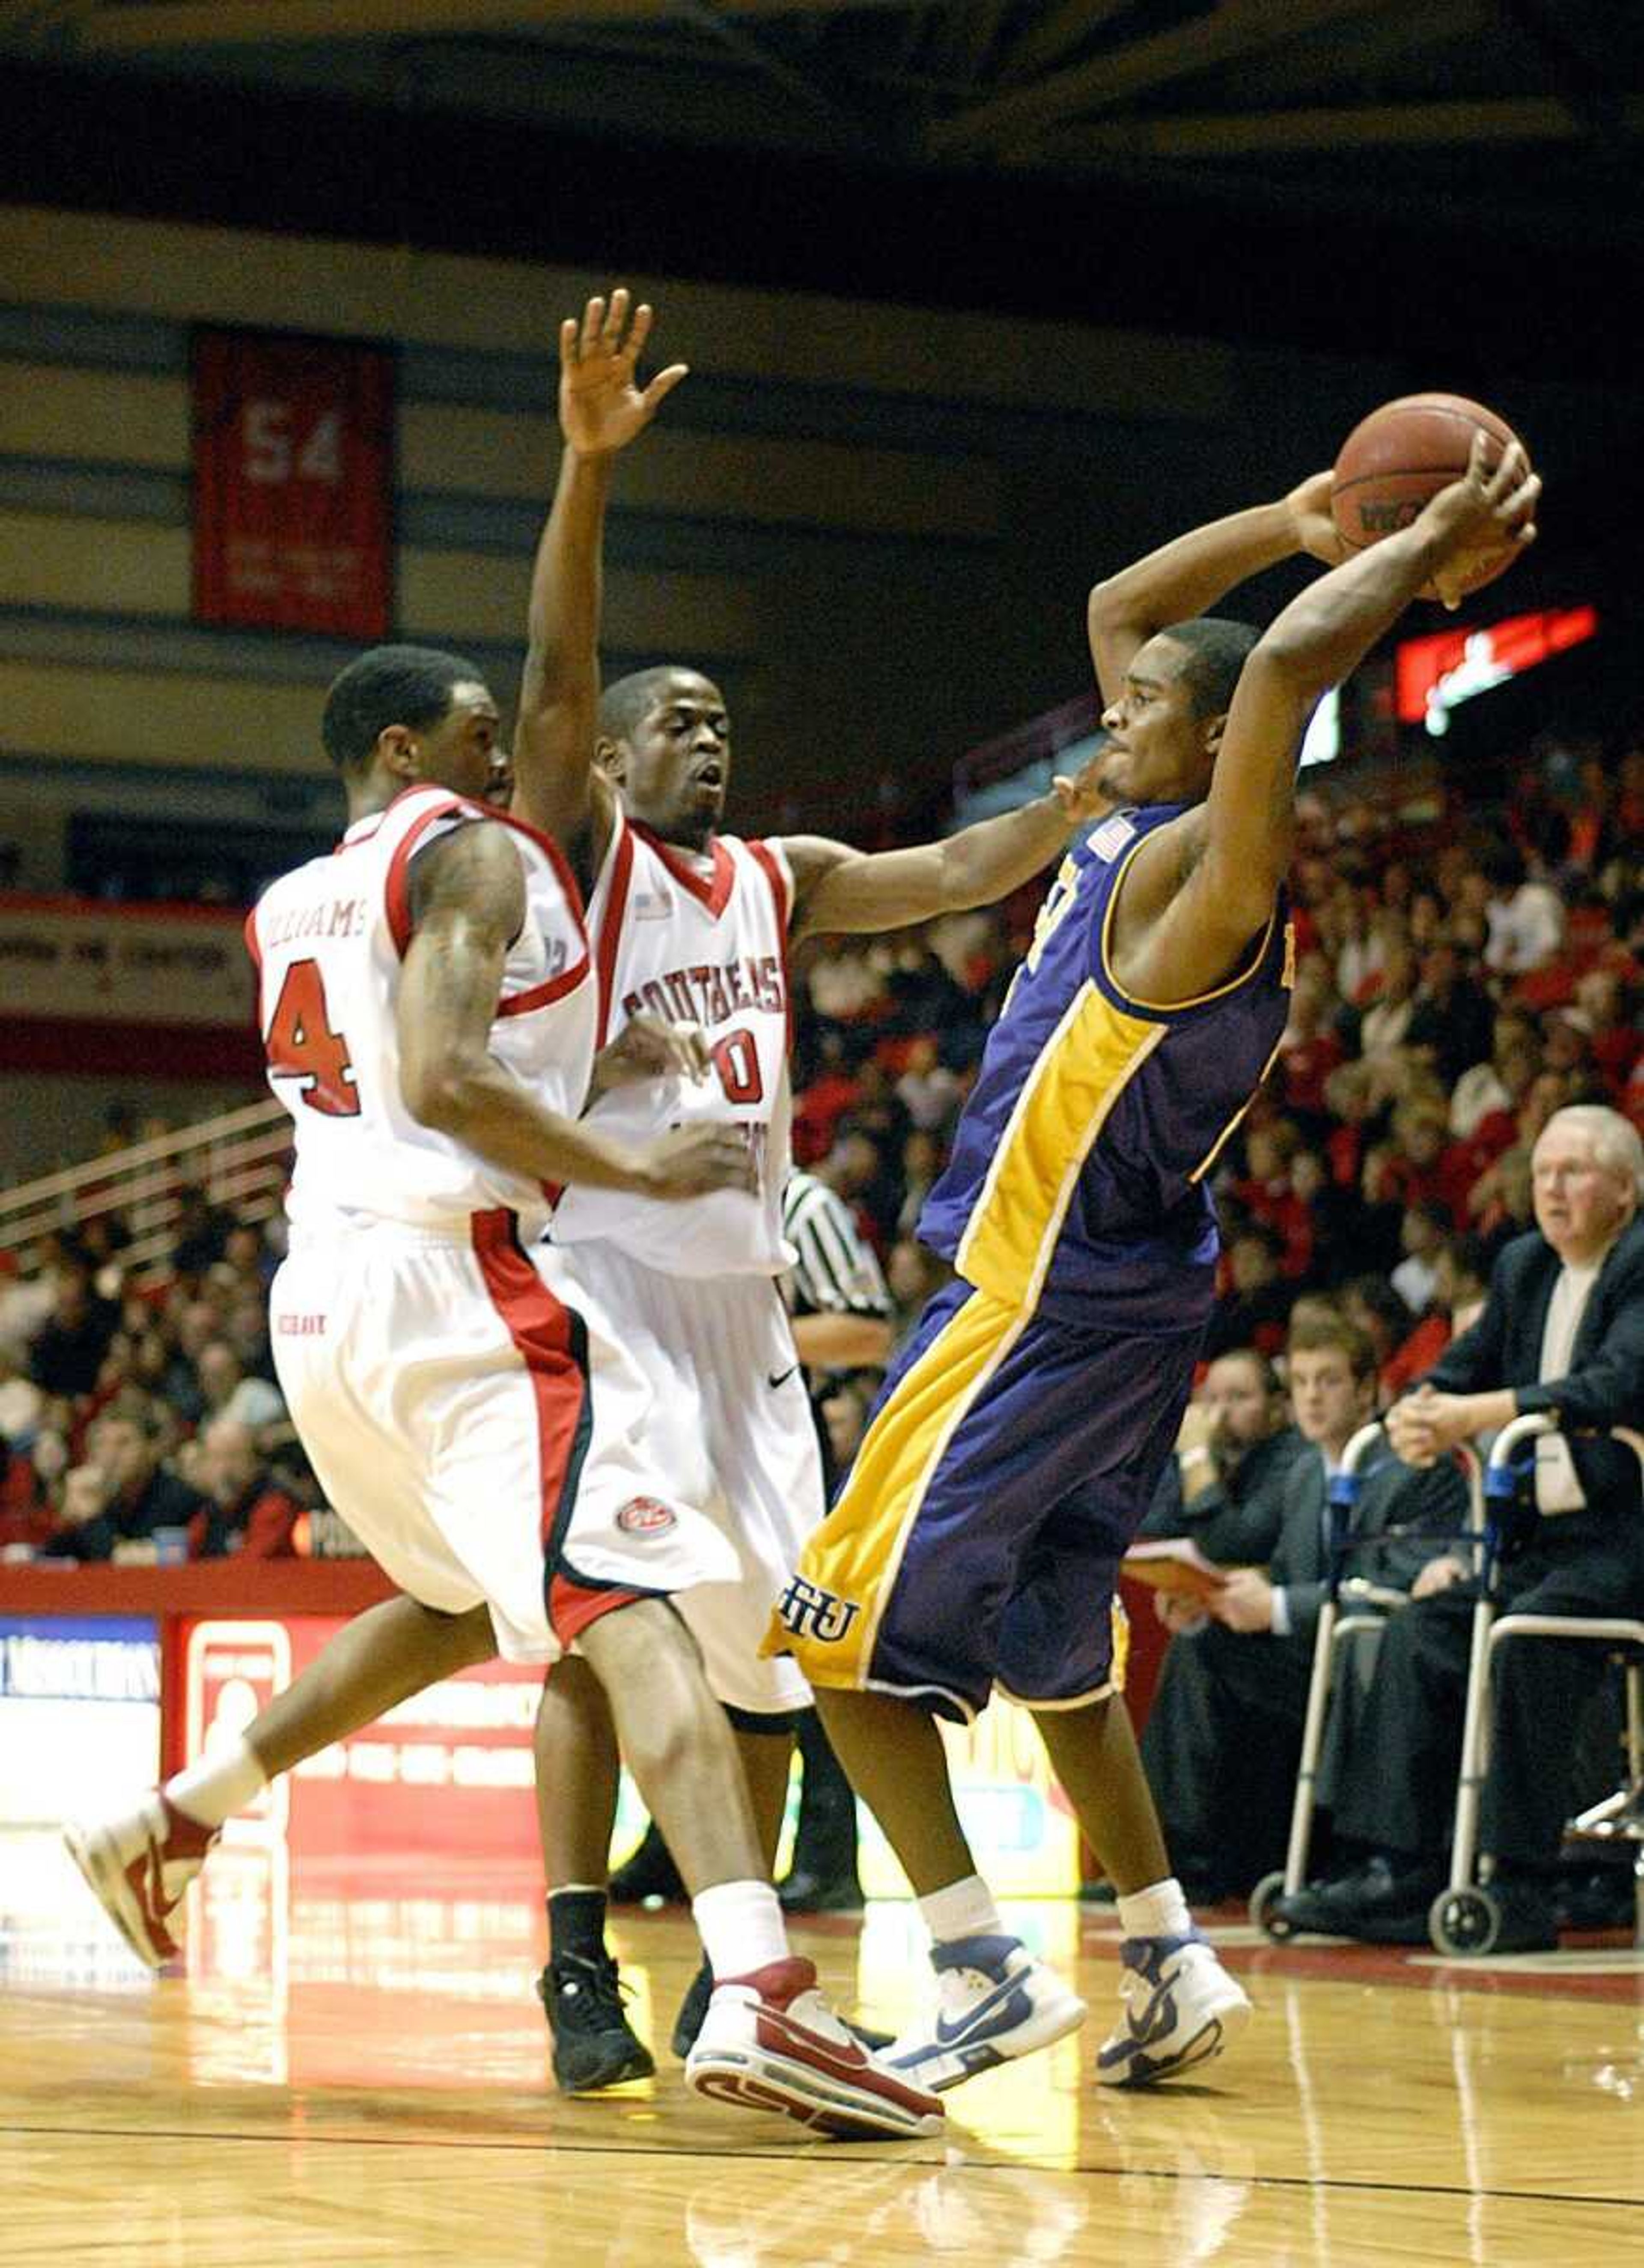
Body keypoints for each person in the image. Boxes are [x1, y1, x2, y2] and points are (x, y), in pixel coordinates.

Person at [62, 402, 941, 2140]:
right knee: (629, 1606)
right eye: (472, 743)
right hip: (467, 1278)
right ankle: (762, 1988)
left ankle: (177, 1812)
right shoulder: (462, 850)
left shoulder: (288, 900)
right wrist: (629, 1151)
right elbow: (459, 1071)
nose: (510, 764)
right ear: (407, 751)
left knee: (474, 1594)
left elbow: (428, 1064)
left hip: (324, 1299)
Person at [766, 430, 1540, 2090]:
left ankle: (985, 1970)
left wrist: (1408, 557)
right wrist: (1298, 517)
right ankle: (1174, 1957)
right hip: (1120, 1295)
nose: (1109, 714)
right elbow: (1128, 603)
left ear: (1207, 738)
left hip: (1038, 1293)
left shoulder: (1208, 872)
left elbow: (1276, 677)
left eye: (1141, 713)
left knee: (832, 1635)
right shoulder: (1132, 823)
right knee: (1056, 1655)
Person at [509, 291, 1115, 2083]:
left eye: (718, 718)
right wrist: (584, 473)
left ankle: (828, 1969)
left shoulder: (780, 874)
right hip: (608, 1290)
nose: (706, 737)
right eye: (673, 722)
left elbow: (958, 867)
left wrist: (1100, 787)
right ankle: (622, 1967)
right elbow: (552, 680)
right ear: (614, 769)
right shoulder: (590, 857)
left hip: (747, 1321)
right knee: (623, 1633)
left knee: (794, 1653)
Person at [1273, 1105, 1644, 1952]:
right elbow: (1457, 1369)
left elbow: (1617, 1383)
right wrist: (1421, 1410)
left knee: (1521, 1640)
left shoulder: (1639, 1262)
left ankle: (1521, 1882)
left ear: (1625, 1189)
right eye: (1544, 1170)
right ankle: (1402, 1866)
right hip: (1532, 1541)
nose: (1552, 1186)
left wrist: (1476, 1412)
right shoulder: (1522, 1266)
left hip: (1621, 1540)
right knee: (1421, 1630)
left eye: (1576, 1170)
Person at [1139, 1318, 1464, 1900]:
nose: (1313, 1396)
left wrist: (1279, 1604)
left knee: (1225, 1649)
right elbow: (1290, 1575)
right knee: (1203, 1641)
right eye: (1304, 1382)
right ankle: (1173, 1853)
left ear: (1367, 1391)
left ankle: (1341, 1864)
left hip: (1372, 1660)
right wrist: (1221, 1595)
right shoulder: (1306, 1473)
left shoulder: (1415, 1468)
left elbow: (1397, 1580)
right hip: (1311, 1656)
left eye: (1330, 1381)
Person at [1135, 1346, 1305, 1566]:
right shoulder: (1207, 1451)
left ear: (1276, 1407)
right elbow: (1154, 1528)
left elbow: (1227, 1547)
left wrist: (1196, 1454)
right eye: (1211, 1398)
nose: (1220, 1413)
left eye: (1238, 1397)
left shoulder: (1294, 1457)